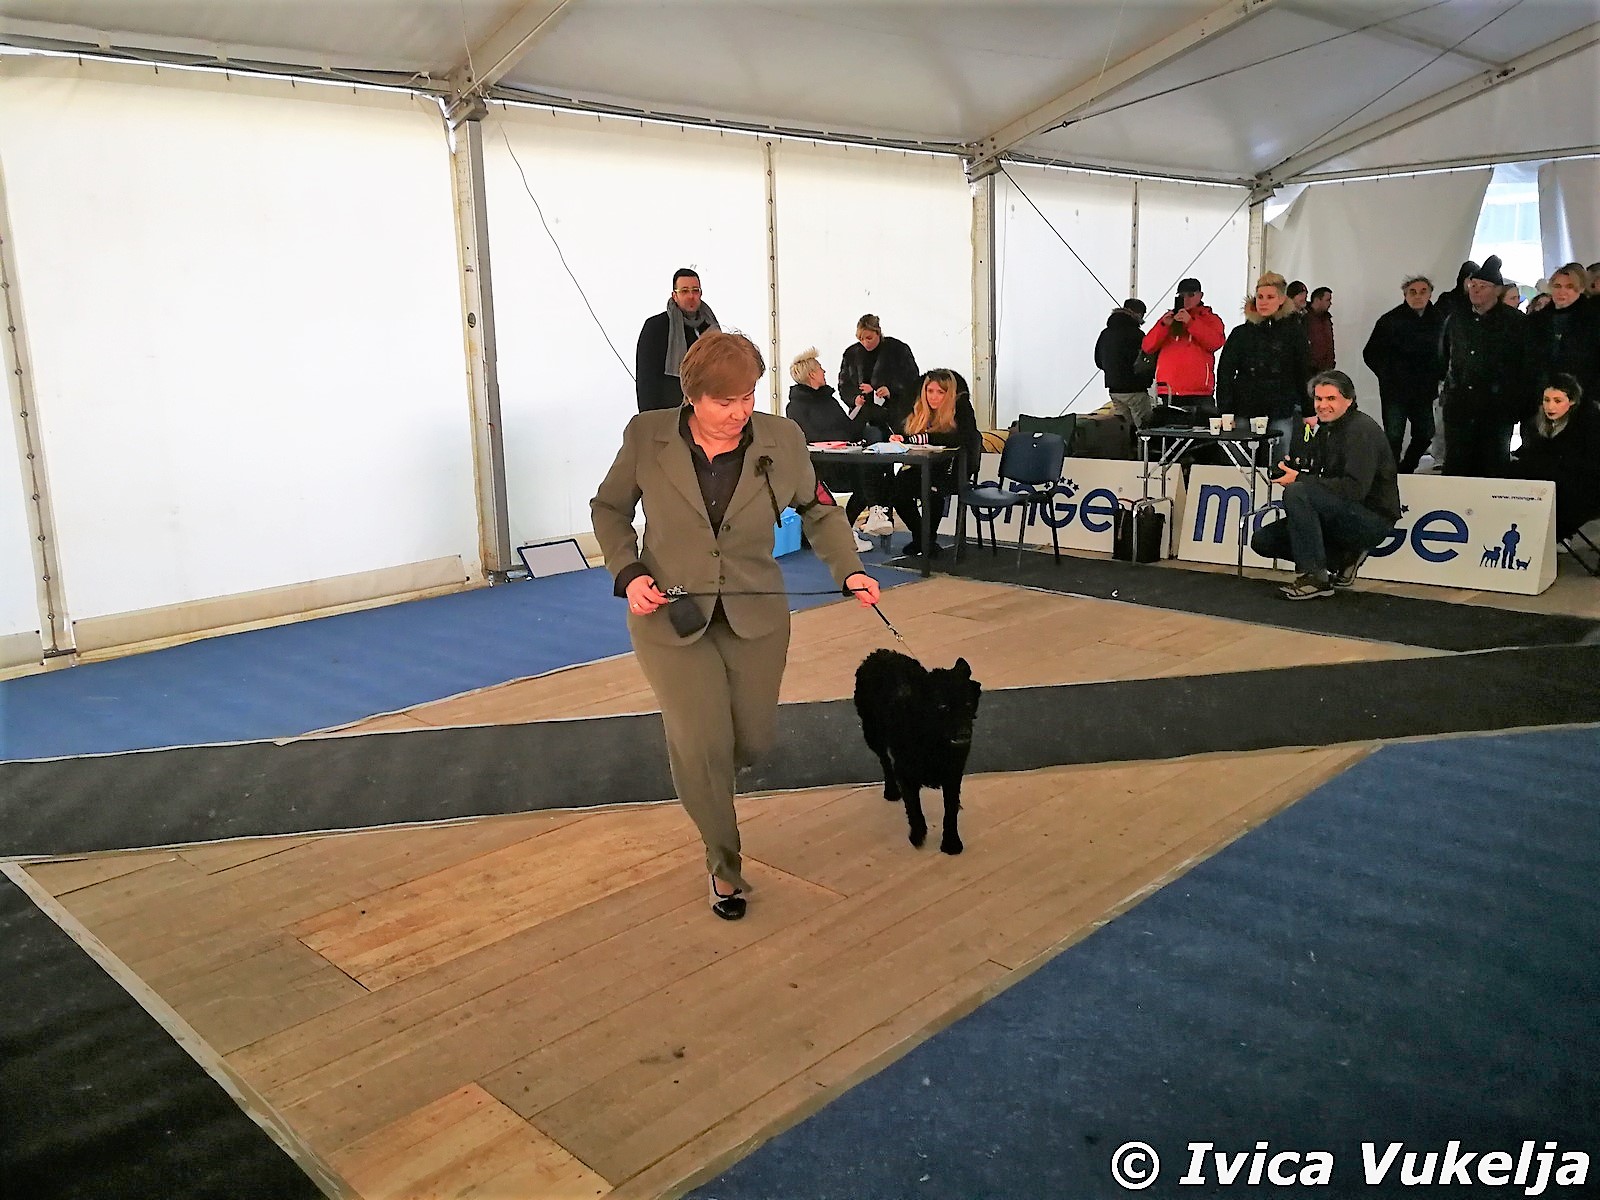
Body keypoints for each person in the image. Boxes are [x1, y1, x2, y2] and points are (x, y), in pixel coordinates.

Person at [592, 331, 881, 920]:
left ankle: (712, 775)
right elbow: (609, 508)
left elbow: (819, 508)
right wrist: (630, 571)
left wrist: (849, 569)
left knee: (752, 741)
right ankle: (723, 865)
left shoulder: (782, 438)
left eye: (747, 397)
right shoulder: (647, 435)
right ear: (693, 396)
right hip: (670, 615)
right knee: (703, 744)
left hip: (756, 614)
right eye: (724, 402)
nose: (739, 411)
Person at [1250, 370, 1400, 600]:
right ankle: (1344, 558)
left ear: (1349, 400)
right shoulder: (1327, 429)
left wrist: (1299, 480)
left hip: (1371, 517)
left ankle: (1315, 577)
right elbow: (1317, 473)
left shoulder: (1361, 431)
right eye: (1318, 399)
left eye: (1331, 399)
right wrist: (1292, 469)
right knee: (1263, 541)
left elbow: (1355, 489)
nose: (1322, 405)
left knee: (1298, 492)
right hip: (1343, 511)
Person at [785, 347, 893, 547]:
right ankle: (864, 519)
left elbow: (848, 429)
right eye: (820, 368)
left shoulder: (829, 401)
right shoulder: (796, 406)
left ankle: (849, 528)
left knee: (874, 471)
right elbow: (808, 437)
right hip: (821, 464)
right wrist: (843, 439)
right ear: (812, 374)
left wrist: (863, 410)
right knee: (867, 472)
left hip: (845, 459)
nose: (824, 371)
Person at [1440, 255, 1529, 477]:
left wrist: (1515, 403)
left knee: (1492, 467)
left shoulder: (1515, 322)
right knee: (1457, 466)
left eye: (1483, 286)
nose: (1476, 290)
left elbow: (1525, 365)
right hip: (1460, 407)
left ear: (1497, 290)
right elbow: (1443, 354)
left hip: (1496, 409)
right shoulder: (1457, 318)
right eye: (1473, 285)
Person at [1215, 272, 1312, 461]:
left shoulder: (1294, 333)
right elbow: (1224, 373)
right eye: (1260, 297)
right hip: (1244, 409)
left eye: (1270, 297)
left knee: (1278, 462)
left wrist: (1309, 411)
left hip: (1280, 409)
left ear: (1282, 299)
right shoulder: (1241, 333)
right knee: (1237, 462)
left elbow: (1303, 372)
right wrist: (1225, 411)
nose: (1263, 302)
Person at [887, 369, 981, 558]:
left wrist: (921, 438)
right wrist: (900, 438)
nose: (934, 397)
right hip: (922, 466)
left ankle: (926, 540)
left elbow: (959, 437)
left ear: (949, 393)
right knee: (897, 489)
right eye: (930, 391)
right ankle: (923, 538)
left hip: (952, 469)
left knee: (932, 491)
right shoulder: (919, 408)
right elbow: (909, 434)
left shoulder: (961, 408)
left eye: (940, 392)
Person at [1363, 275, 1445, 473]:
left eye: (1423, 292)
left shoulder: (1439, 320)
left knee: (1426, 432)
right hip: (1395, 390)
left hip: (1424, 390)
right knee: (1394, 436)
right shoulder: (1390, 321)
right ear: (1405, 295)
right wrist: (1388, 375)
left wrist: (1439, 374)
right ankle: (1390, 475)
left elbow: (1446, 350)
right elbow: (1371, 353)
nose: (1418, 296)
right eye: (1412, 292)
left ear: (1430, 294)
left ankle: (1406, 468)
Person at [1508, 373, 1600, 542]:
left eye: (1557, 401)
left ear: (1572, 401)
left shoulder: (1588, 424)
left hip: (1581, 487)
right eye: (1546, 400)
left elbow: (1588, 465)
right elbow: (1533, 454)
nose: (1550, 406)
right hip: (1548, 481)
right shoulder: (1537, 422)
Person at [1140, 277, 1227, 418]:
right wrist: (1163, 325)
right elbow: (1147, 346)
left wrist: (1191, 323)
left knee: (1201, 430)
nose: (1186, 299)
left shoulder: (1210, 319)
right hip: (1168, 391)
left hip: (1199, 393)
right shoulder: (1168, 318)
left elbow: (1215, 343)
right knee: (1165, 431)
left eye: (1191, 295)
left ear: (1200, 296)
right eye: (1181, 296)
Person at [635, 269, 719, 413]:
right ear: (674, 295)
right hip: (670, 413)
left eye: (695, 290)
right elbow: (646, 379)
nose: (691, 296)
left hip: (707, 411)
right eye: (684, 291)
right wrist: (649, 418)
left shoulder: (710, 326)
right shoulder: (656, 326)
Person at [1526, 263, 1600, 408]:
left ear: (1581, 289)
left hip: (1582, 398)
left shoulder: (1593, 320)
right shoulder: (1536, 322)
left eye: (1570, 287)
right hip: (1541, 398)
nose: (1562, 292)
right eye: (1557, 286)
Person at [838, 315, 921, 432]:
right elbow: (844, 385)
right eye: (861, 339)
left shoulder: (898, 350)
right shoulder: (851, 354)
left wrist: (891, 390)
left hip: (894, 417)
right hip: (862, 418)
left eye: (869, 338)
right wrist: (854, 399)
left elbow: (913, 380)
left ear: (878, 332)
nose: (865, 343)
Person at [1094, 297, 1155, 425]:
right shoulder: (1137, 335)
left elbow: (1098, 361)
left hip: (1114, 389)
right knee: (1144, 428)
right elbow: (1146, 361)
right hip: (1136, 389)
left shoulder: (1105, 334)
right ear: (1138, 313)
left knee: (1124, 429)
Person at [1306, 286, 1336, 371]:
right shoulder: (1305, 318)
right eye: (1327, 300)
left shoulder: (1326, 319)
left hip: (1326, 368)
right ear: (1317, 300)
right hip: (1310, 369)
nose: (1330, 303)